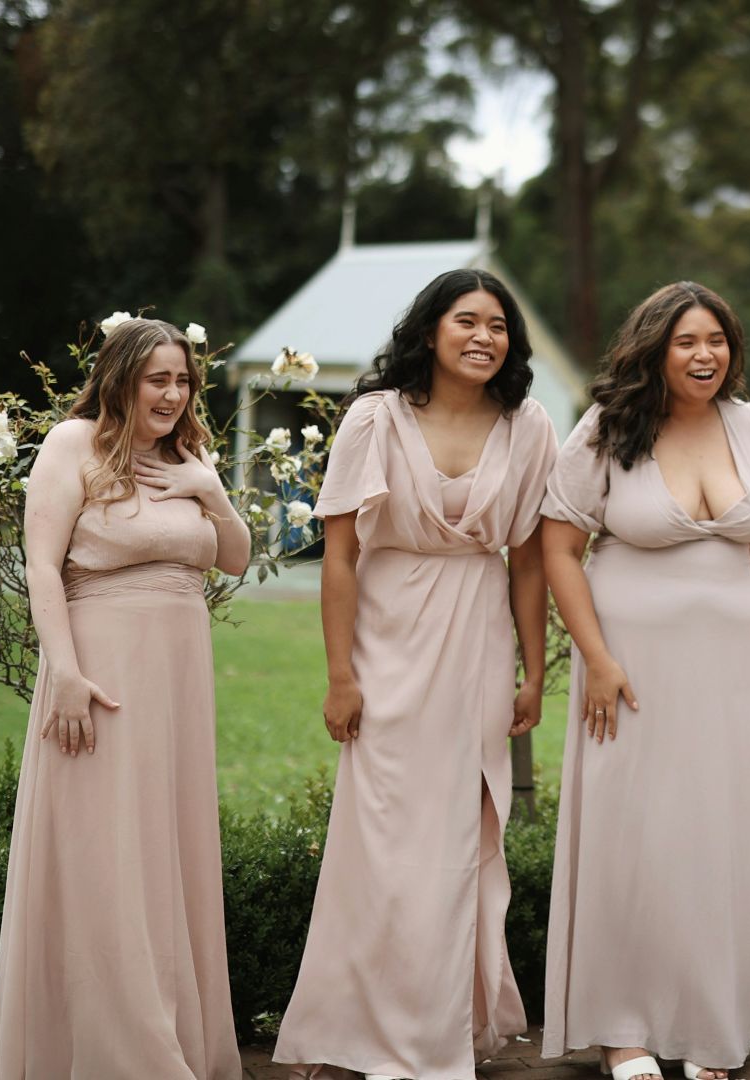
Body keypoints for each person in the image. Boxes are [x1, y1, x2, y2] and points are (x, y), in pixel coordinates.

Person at [273, 269, 555, 1079]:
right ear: (430, 330)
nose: (483, 337)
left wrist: (534, 672)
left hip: (476, 641)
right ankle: (352, 1032)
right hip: (387, 645)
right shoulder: (373, 417)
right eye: (466, 320)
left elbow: (530, 562)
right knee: (381, 841)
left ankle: (438, 1037)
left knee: (457, 840)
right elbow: (340, 555)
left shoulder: (529, 423)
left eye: (498, 325)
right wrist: (340, 675)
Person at [0, 318, 248, 1078]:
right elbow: (40, 565)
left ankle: (174, 1031)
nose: (172, 393)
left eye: (183, 380)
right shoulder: (74, 446)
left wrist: (210, 489)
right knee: (106, 850)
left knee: (168, 848)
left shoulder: (188, 456)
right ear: (121, 377)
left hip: (179, 680)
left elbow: (233, 558)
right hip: (102, 669)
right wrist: (62, 669)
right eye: (157, 378)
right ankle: (116, 1051)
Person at [539, 281, 750, 1080]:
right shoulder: (608, 429)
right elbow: (556, 549)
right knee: (634, 836)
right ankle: (626, 1029)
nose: (704, 354)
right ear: (654, 349)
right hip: (632, 671)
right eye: (686, 341)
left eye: (716, 339)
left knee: (717, 835)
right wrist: (598, 659)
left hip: (730, 670)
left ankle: (708, 1025)